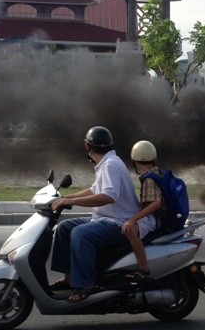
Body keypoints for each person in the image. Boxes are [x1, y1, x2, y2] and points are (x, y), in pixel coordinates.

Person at [50, 126, 152, 303]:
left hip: (119, 222)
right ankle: (70, 277)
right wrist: (64, 198)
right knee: (64, 228)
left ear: (86, 145)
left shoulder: (110, 165)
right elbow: (94, 190)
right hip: (105, 219)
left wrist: (71, 202)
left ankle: (85, 284)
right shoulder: (106, 162)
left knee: (80, 234)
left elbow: (108, 196)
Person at [121, 140, 164, 282]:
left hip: (153, 219)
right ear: (154, 159)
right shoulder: (156, 173)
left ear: (134, 160)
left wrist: (133, 220)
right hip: (156, 217)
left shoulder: (148, 179)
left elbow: (155, 204)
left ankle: (143, 269)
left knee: (131, 231)